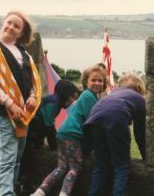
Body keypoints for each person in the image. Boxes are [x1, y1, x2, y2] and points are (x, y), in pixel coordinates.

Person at [0, 80, 80, 178]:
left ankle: (6, 184)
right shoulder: (53, 103)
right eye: (72, 96)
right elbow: (49, 128)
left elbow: (41, 125)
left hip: (25, 126)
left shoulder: (55, 102)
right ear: (65, 94)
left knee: (20, 156)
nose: (73, 100)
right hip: (18, 121)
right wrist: (54, 148)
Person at [0, 10, 42, 196]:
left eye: (17, 26)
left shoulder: (24, 54)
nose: (11, 27)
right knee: (6, 158)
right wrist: (9, 104)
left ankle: (6, 189)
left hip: (23, 113)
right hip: (6, 112)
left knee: (16, 158)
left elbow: (33, 81)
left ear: (22, 33)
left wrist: (32, 96)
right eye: (9, 23)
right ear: (3, 23)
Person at [30, 65, 107, 196]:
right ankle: (64, 193)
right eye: (93, 80)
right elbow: (92, 121)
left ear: (104, 83)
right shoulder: (89, 96)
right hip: (73, 135)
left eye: (100, 80)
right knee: (75, 168)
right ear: (86, 82)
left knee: (61, 167)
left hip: (63, 133)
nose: (97, 83)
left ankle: (39, 192)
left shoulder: (89, 97)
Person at [84, 72, 146, 196]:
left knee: (101, 164)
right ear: (139, 89)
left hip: (94, 120)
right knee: (121, 166)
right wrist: (145, 155)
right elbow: (139, 132)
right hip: (116, 119)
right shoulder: (139, 99)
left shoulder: (111, 94)